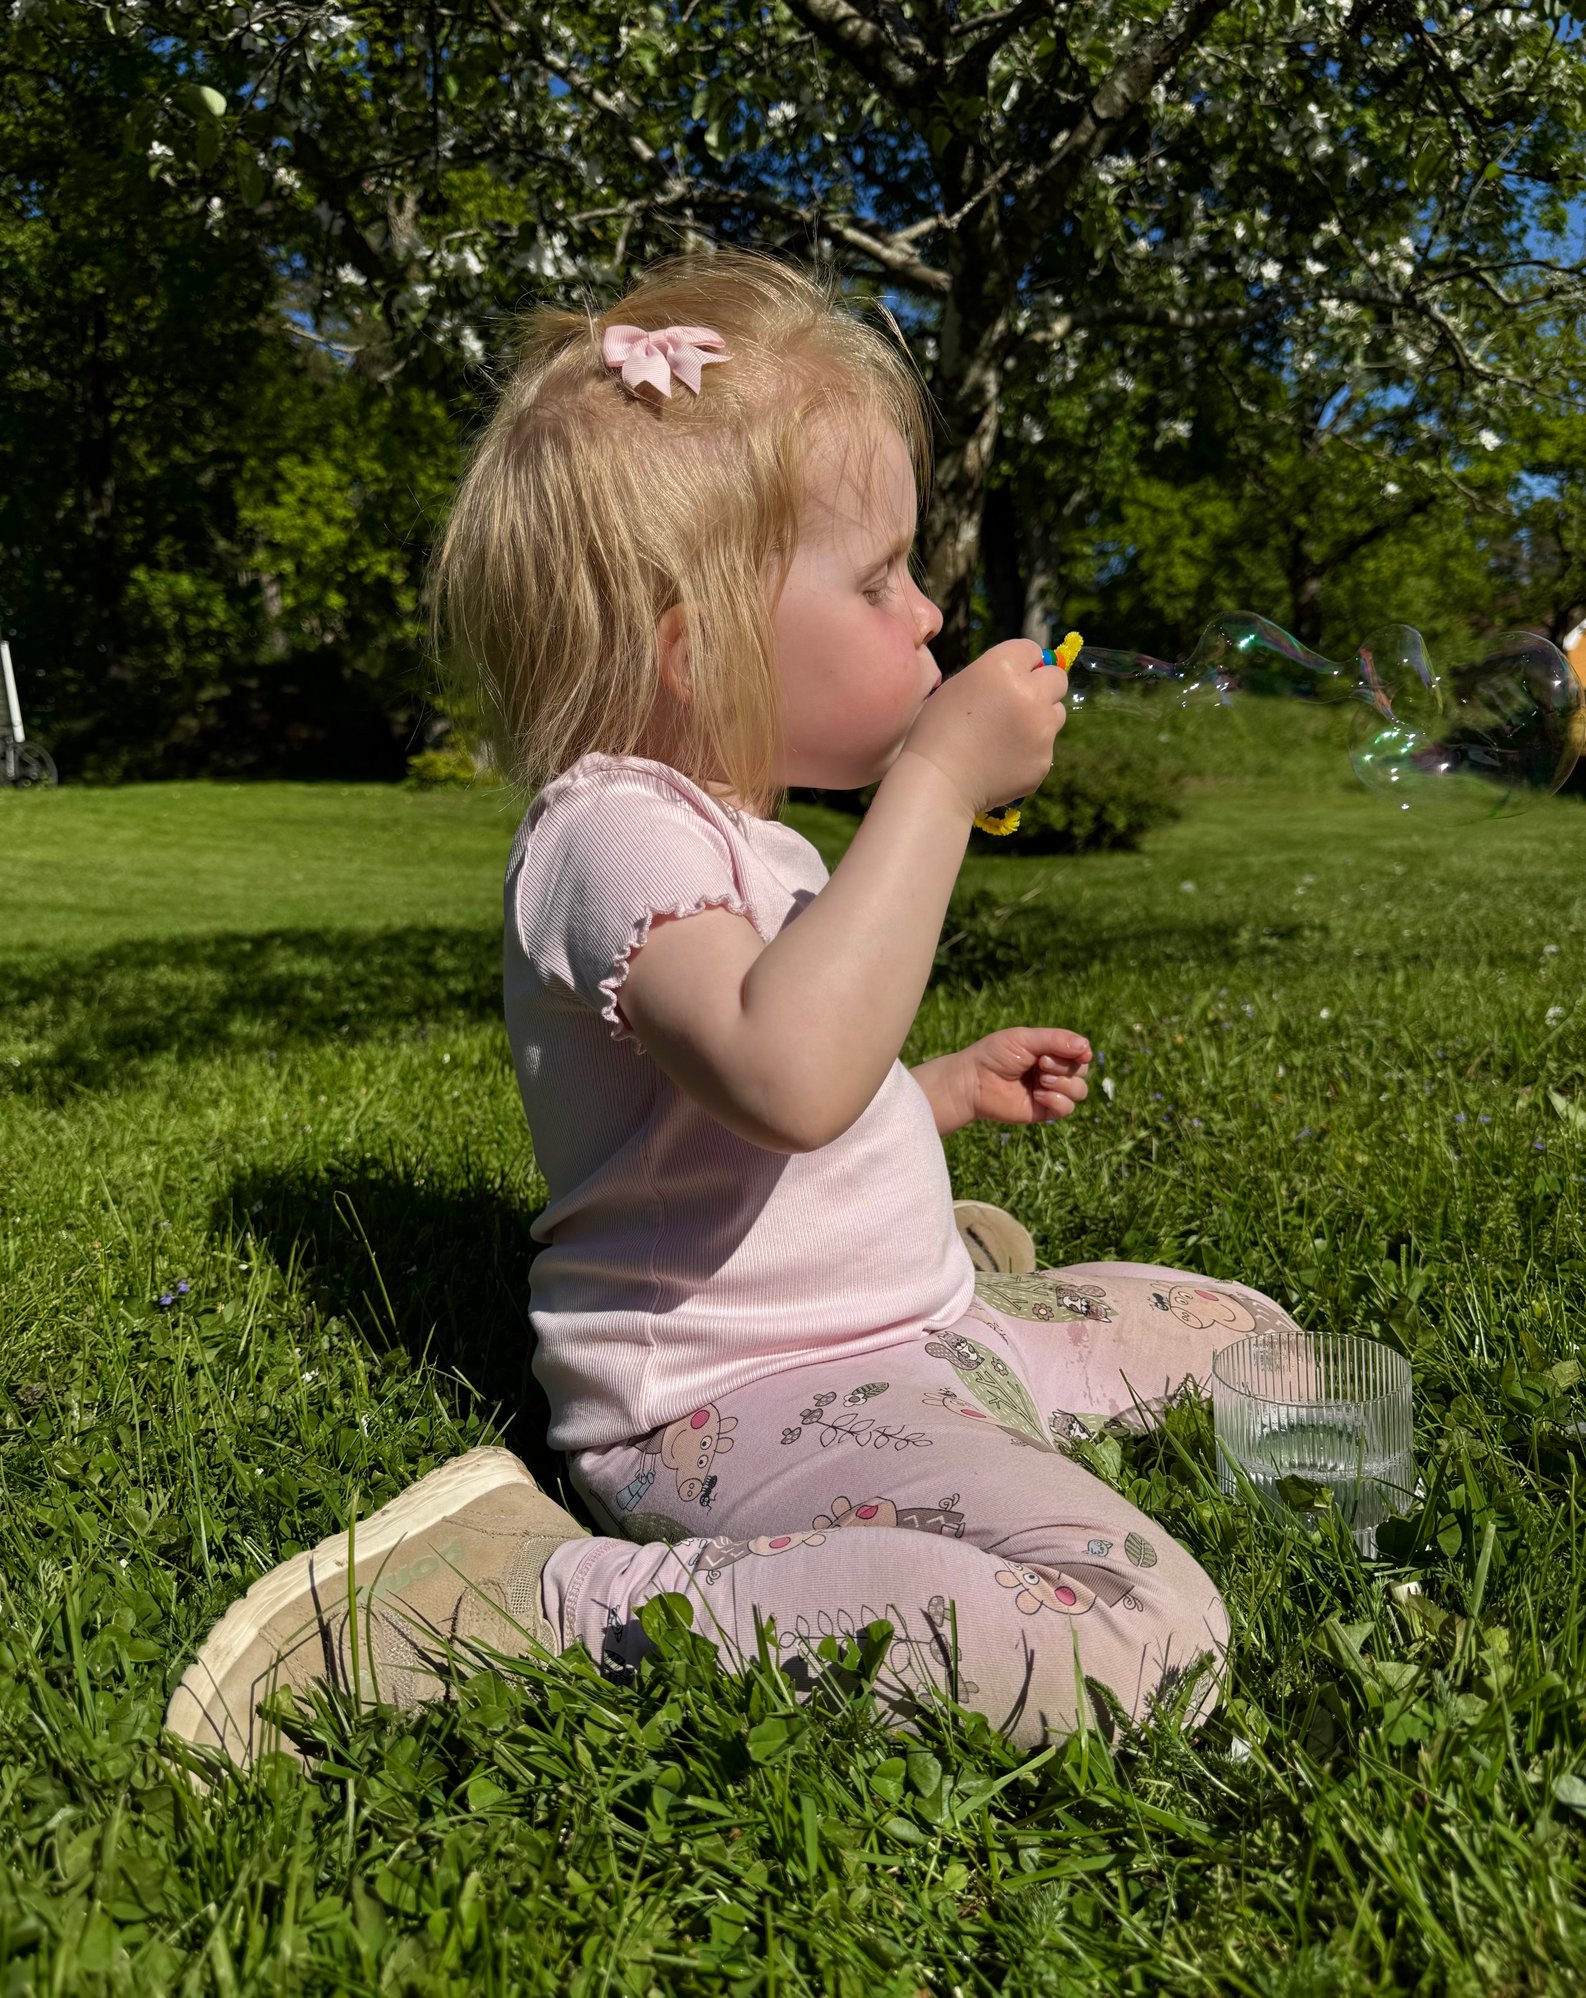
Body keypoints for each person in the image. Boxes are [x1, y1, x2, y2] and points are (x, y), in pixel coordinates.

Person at [167, 252, 1299, 1772]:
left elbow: (790, 1073)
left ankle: (948, 1298)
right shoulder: (607, 833)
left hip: (896, 1336)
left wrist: (938, 1091)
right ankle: (528, 1596)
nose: (927, 610)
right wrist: (938, 781)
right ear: (694, 638)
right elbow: (782, 1069)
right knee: (1137, 1639)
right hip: (733, 1399)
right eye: (878, 577)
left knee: (1258, 1343)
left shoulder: (747, 832)